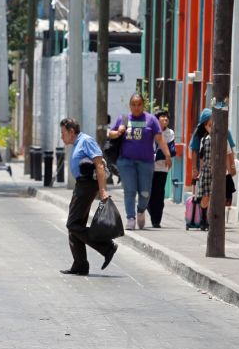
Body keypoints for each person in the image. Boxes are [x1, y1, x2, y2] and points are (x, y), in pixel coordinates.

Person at [59, 118, 118, 275]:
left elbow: (99, 164)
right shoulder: (78, 143)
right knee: (75, 225)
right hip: (81, 185)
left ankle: (107, 247)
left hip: (87, 186)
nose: (61, 136)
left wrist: (103, 190)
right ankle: (80, 265)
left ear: (72, 132)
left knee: (72, 224)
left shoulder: (86, 141)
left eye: (63, 133)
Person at [108, 94, 172, 230]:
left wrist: (167, 155)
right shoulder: (123, 119)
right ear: (130, 105)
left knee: (145, 192)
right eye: (133, 105)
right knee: (129, 190)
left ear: (143, 105)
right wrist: (118, 132)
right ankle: (130, 218)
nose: (136, 107)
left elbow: (160, 139)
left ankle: (141, 210)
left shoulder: (151, 120)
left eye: (139, 104)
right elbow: (110, 134)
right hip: (126, 161)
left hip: (146, 162)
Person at [192, 108, 237, 230]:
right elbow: (200, 156)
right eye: (208, 125)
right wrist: (199, 171)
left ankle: (214, 220)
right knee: (205, 196)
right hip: (206, 171)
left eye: (212, 125)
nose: (211, 127)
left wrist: (230, 169)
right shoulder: (203, 140)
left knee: (217, 196)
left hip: (220, 172)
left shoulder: (223, 139)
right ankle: (203, 219)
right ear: (205, 127)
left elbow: (228, 154)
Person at [147, 110, 177, 228]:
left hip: (162, 168)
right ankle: (151, 212)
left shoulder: (170, 133)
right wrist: (161, 153)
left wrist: (157, 155)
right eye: (162, 117)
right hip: (149, 167)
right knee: (149, 193)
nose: (165, 119)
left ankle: (156, 220)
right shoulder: (150, 131)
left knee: (159, 194)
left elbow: (172, 150)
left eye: (166, 117)